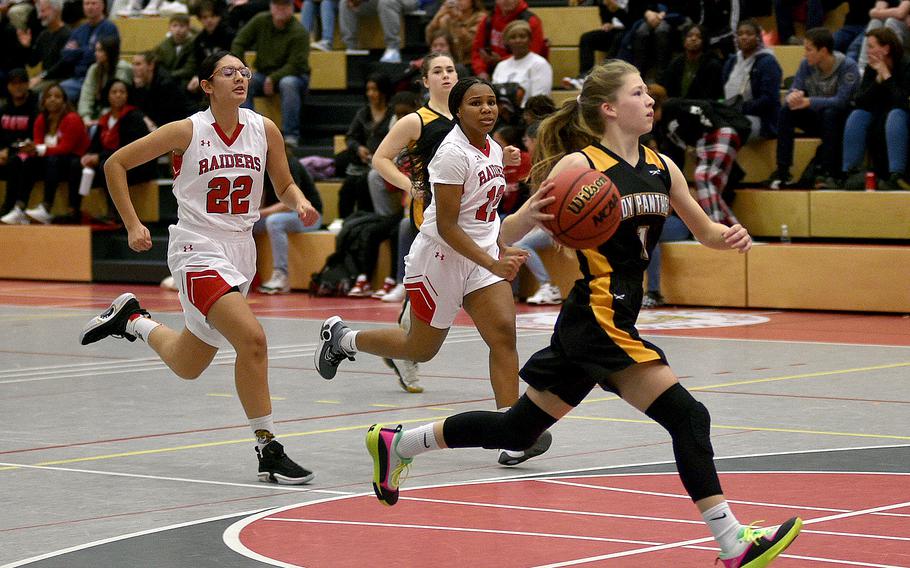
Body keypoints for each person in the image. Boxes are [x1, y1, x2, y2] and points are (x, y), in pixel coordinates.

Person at [363, 60, 803, 568]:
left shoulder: (663, 165)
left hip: (610, 313)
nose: (650, 100)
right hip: (598, 314)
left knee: (517, 430)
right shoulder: (578, 168)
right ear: (610, 108)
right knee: (689, 415)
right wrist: (525, 216)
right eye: (639, 93)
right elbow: (502, 236)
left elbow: (704, 231)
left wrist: (729, 237)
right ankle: (733, 543)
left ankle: (399, 443)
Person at [78, 50, 320, 485]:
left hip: (240, 251)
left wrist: (299, 201)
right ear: (207, 85)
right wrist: (132, 223)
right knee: (253, 340)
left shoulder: (264, 129)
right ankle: (268, 447)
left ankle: (132, 320)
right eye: (228, 72)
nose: (240, 78)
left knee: (188, 364)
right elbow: (116, 164)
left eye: (243, 71)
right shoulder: (186, 131)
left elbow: (281, 182)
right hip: (196, 248)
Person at [317, 76, 555, 468]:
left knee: (503, 336)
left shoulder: (492, 146)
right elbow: (447, 226)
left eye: (492, 102)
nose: (487, 109)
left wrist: (505, 176)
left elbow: (482, 207)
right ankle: (345, 339)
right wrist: (494, 260)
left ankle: (513, 435)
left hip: (479, 258)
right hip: (440, 258)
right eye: (476, 103)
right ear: (458, 110)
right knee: (420, 349)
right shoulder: (450, 154)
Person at [767, 27, 860, 189]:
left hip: (841, 122)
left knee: (831, 113)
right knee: (787, 110)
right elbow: (795, 88)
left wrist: (810, 101)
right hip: (817, 118)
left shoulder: (848, 66)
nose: (805, 54)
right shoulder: (806, 65)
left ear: (823, 51)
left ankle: (827, 172)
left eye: (809, 50)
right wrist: (793, 96)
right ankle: (783, 169)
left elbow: (841, 101)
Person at [72, 79, 155, 223]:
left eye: (122, 92)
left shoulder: (134, 116)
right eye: (114, 92)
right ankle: (74, 210)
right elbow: (95, 145)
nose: (118, 95)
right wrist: (88, 156)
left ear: (127, 95)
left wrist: (99, 157)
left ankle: (115, 213)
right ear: (108, 96)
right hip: (109, 162)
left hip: (137, 165)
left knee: (106, 165)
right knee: (75, 164)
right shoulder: (104, 119)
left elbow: (130, 147)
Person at [840, 26, 910, 190]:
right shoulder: (872, 68)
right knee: (857, 115)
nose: (867, 51)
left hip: (902, 115)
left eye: (871, 47)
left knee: (895, 115)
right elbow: (860, 101)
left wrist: (887, 76)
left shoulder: (906, 65)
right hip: (880, 115)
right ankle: (850, 172)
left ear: (885, 49)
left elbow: (903, 102)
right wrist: (878, 80)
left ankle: (896, 175)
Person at [233, 0, 310, 147]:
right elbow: (239, 42)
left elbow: (296, 64)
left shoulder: (299, 31)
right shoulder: (261, 20)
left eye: (285, 6)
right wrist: (241, 67)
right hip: (264, 73)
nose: (280, 9)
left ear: (292, 8)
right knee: (243, 81)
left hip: (296, 76)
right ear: (271, 7)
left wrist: (273, 78)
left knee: (288, 83)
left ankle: (290, 135)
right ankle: (248, 129)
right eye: (277, 5)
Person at [10, 83, 90, 225]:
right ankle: (19, 208)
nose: (53, 99)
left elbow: (65, 148)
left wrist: (38, 149)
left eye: (57, 96)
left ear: (64, 101)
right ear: (44, 101)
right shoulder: (41, 119)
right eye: (49, 96)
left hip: (73, 161)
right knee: (27, 160)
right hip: (51, 162)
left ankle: (46, 208)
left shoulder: (72, 119)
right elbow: (38, 145)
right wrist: (29, 149)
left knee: (53, 159)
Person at [257, 146, 325, 294]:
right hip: (279, 214)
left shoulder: (290, 164)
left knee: (274, 221)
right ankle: (246, 274)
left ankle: (281, 275)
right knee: (244, 223)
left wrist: (260, 213)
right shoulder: (261, 165)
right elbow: (261, 194)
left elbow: (290, 204)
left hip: (308, 216)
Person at [722, 19, 782, 141]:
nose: (744, 37)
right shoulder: (731, 62)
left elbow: (768, 99)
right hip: (732, 115)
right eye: (740, 34)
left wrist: (740, 108)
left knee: (726, 131)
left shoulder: (768, 62)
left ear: (758, 37)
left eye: (749, 34)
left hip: (762, 120)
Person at [58, 0, 120, 102]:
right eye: (86, 4)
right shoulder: (79, 30)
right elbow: (66, 55)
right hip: (77, 77)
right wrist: (87, 49)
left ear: (102, 6)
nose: (90, 7)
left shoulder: (109, 28)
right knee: (50, 94)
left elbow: (99, 56)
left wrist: (78, 50)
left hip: (97, 78)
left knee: (59, 95)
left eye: (93, 3)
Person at [0, 69, 40, 225]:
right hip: (5, 153)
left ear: (28, 84)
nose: (17, 87)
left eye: (21, 83)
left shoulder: (35, 108)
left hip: (26, 154)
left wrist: (8, 150)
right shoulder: (3, 109)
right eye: (13, 83)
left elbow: (34, 137)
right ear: (8, 86)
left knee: (16, 162)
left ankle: (10, 205)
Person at [470, 0, 547, 80]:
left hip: (522, 72)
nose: (506, 1)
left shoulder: (531, 21)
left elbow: (531, 54)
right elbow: (477, 50)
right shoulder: (488, 19)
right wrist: (481, 72)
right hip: (490, 71)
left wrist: (501, 61)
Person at [490, 19, 552, 107]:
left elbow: (540, 100)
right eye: (513, 37)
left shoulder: (539, 64)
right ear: (507, 42)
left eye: (522, 36)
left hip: (529, 116)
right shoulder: (501, 65)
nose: (518, 40)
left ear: (530, 40)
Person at [659, 24, 725, 100]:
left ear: (704, 41)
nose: (693, 39)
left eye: (699, 37)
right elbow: (668, 89)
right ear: (684, 40)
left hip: (701, 107)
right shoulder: (676, 63)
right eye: (689, 36)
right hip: (676, 106)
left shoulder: (713, 66)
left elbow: (713, 95)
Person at [78, 36, 133, 127]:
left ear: (110, 52)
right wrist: (85, 117)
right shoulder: (94, 69)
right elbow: (86, 95)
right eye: (96, 50)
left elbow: (119, 99)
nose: (96, 54)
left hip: (119, 115)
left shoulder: (123, 68)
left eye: (100, 51)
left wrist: (102, 120)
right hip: (99, 111)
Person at [23, 0, 72, 95]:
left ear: (56, 10)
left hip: (60, 79)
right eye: (39, 12)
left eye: (43, 11)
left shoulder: (68, 34)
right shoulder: (44, 35)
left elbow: (63, 65)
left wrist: (41, 77)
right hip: (46, 78)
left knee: (30, 92)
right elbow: (32, 63)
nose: (39, 16)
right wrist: (26, 47)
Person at [424, 0, 486, 65]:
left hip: (469, 63)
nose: (459, 1)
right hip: (449, 61)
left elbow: (469, 44)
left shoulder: (480, 17)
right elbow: (429, 38)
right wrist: (439, 14)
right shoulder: (448, 18)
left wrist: (457, 20)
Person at [154, 14, 197, 90]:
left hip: (187, 81)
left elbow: (189, 69)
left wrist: (168, 75)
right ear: (169, 28)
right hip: (167, 80)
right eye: (175, 26)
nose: (178, 29)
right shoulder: (163, 46)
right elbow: (158, 65)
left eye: (182, 26)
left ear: (188, 28)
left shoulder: (194, 44)